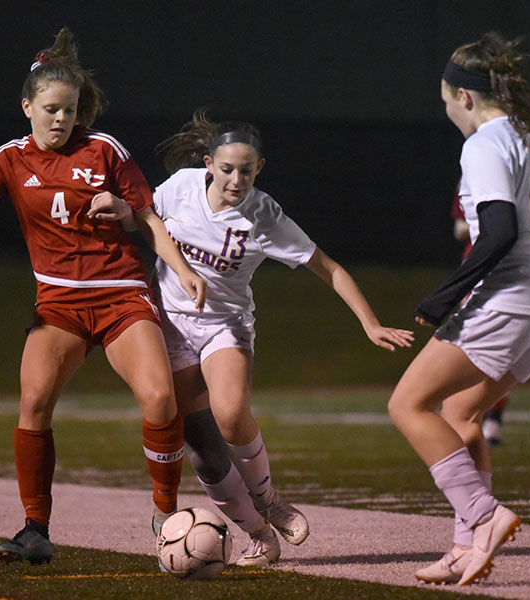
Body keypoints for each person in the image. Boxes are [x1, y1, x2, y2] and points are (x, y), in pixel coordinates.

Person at [0, 28, 206, 566]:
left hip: (122, 296)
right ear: (27, 107)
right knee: (34, 401)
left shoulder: (104, 150)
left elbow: (149, 220)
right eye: (51, 110)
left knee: (159, 399)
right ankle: (35, 530)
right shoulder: (9, 160)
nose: (62, 119)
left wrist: (182, 270)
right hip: (59, 305)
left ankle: (166, 515)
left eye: (70, 110)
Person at [115, 110, 414, 566]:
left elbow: (328, 268)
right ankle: (258, 534)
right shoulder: (180, 187)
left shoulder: (264, 215)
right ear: (208, 163)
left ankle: (270, 500)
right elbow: (145, 221)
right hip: (171, 325)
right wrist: (118, 210)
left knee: (232, 414)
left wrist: (369, 323)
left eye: (247, 171)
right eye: (228, 169)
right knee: (206, 454)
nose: (237, 180)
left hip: (225, 325)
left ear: (260, 169)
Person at [388, 32, 530, 586]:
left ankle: (484, 515)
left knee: (407, 405)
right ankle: (465, 546)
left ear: (466, 98)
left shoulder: (482, 144)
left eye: (447, 100)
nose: (448, 110)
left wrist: (447, 294)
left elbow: (497, 230)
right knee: (461, 417)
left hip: (511, 298)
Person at [452, 191, 509, 446]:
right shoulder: (471, 179)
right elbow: (460, 229)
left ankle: (490, 414)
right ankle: (481, 415)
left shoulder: (503, 178)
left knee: (497, 349)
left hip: (501, 268)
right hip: (482, 267)